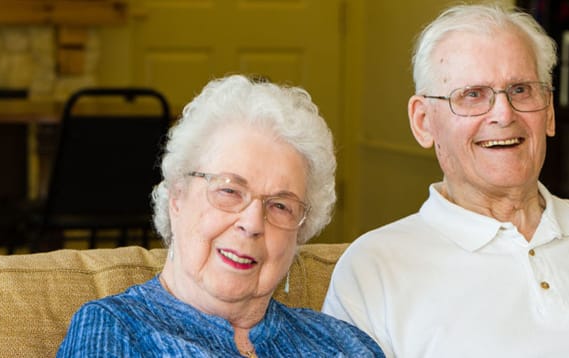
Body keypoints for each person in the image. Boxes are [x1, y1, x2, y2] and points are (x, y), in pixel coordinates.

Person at [321, 3, 569, 357]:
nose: (503, 113)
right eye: (473, 95)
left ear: (549, 111)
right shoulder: (374, 268)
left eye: (521, 90)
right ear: (424, 121)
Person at [57, 75, 384, 357]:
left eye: (280, 206)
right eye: (229, 191)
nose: (253, 223)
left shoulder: (342, 343)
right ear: (177, 197)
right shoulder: (113, 330)